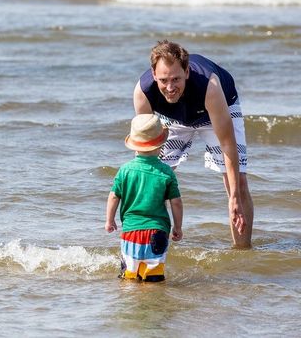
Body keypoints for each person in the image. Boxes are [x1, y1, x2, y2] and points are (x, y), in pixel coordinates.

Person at [133, 40, 253, 248]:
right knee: (154, 180)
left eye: (176, 79)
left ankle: (243, 253)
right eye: (163, 80)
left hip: (214, 110)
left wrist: (234, 197)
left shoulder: (210, 87)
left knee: (238, 184)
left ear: (187, 72)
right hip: (172, 117)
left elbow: (228, 145)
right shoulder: (143, 92)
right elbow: (145, 152)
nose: (170, 87)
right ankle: (148, 248)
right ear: (153, 75)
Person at [105, 113, 183, 282]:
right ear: (161, 145)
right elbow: (176, 202)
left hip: (131, 232)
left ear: (134, 146)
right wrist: (178, 227)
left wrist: (109, 220)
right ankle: (152, 302)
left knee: (129, 277)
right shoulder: (166, 172)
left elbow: (113, 197)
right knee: (153, 278)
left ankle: (132, 300)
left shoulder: (125, 170)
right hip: (158, 231)